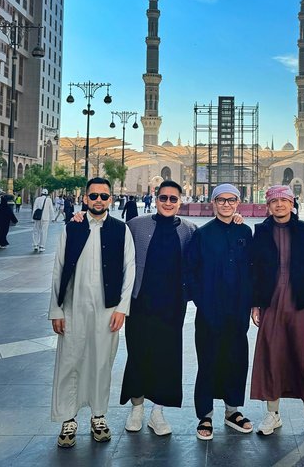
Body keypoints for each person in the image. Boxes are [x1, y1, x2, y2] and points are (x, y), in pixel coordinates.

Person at [48, 177, 135, 448]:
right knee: (69, 361)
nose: (99, 200)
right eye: (94, 195)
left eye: (104, 196)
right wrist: (56, 310)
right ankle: (68, 419)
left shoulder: (120, 230)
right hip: (73, 307)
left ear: (111, 199)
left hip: (107, 309)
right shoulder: (72, 228)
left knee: (101, 363)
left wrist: (122, 308)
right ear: (85, 198)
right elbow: (59, 268)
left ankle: (99, 415)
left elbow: (129, 270)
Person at [120, 181, 196, 435]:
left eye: (173, 199)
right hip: (141, 302)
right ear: (156, 198)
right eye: (163, 197)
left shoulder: (189, 230)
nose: (168, 202)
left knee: (167, 356)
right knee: (138, 353)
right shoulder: (136, 226)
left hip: (172, 306)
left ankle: (157, 412)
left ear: (180, 201)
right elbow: (108, 236)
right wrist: (79, 217)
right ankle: (137, 408)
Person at [250, 185, 304, 441]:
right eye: (274, 201)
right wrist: (256, 302)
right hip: (270, 301)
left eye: (284, 200)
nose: (279, 205)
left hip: (298, 301)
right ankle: (273, 413)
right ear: (268, 206)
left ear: (292, 203)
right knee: (271, 353)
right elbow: (255, 269)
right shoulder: (260, 232)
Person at [186, 184, 253, 441]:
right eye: (221, 200)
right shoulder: (202, 234)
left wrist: (250, 302)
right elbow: (190, 271)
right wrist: (201, 301)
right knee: (208, 359)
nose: (226, 205)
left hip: (237, 310)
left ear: (238, 202)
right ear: (213, 203)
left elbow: (252, 268)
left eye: (231, 200)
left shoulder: (245, 232)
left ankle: (232, 410)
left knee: (235, 359)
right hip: (210, 311)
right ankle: (205, 414)